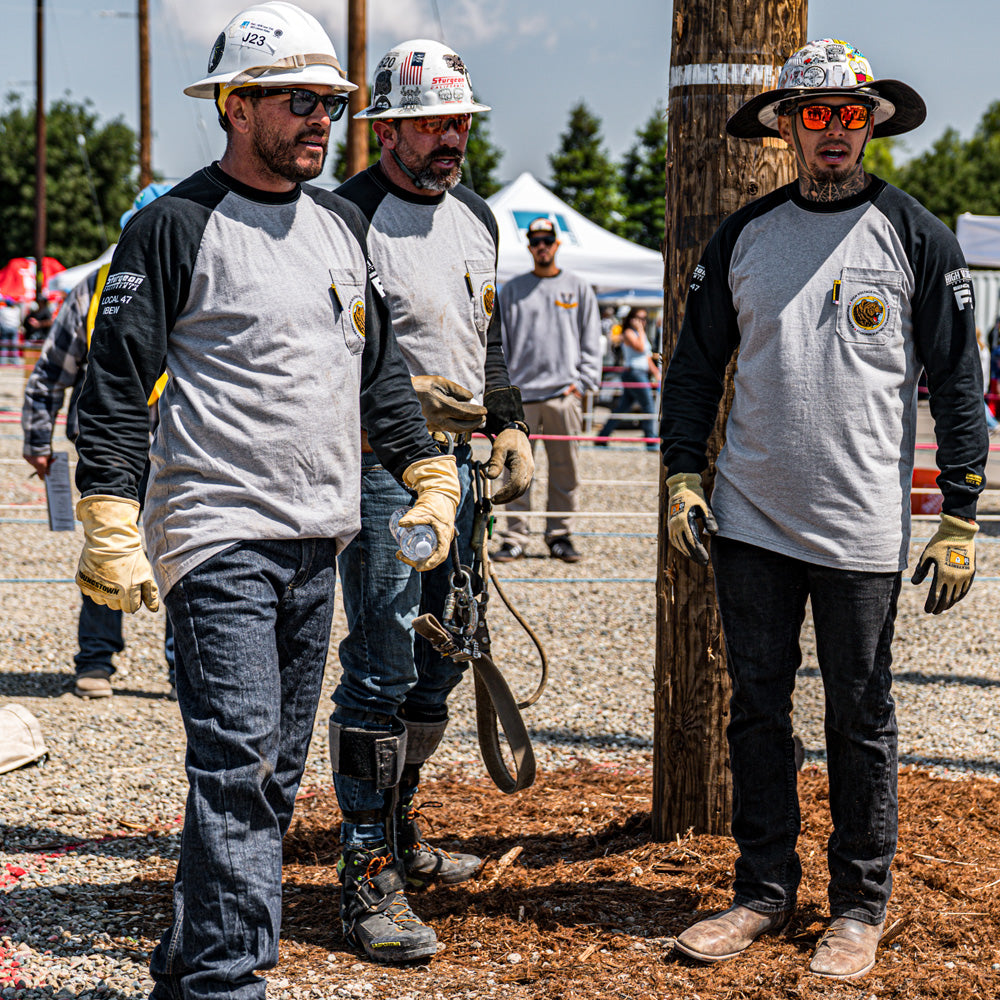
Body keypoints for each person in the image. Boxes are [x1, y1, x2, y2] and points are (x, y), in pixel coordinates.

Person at [71, 4, 460, 996]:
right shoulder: (171, 225)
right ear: (235, 106)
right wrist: (109, 515)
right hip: (219, 539)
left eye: (329, 100)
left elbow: (378, 373)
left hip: (316, 539)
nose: (321, 119)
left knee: (269, 783)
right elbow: (114, 383)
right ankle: (227, 983)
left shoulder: (338, 224)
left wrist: (425, 469)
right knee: (239, 767)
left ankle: (186, 969)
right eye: (299, 100)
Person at [660, 39, 987, 981]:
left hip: (861, 530)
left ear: (871, 123)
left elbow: (960, 387)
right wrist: (685, 474)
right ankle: (762, 890)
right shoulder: (743, 236)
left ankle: (858, 904)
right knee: (756, 709)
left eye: (850, 114)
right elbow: (693, 372)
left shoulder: (918, 235)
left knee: (861, 714)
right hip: (750, 520)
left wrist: (960, 514)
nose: (834, 130)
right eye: (816, 114)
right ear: (787, 127)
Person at [330, 38, 534, 963]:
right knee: (378, 657)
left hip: (462, 470)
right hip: (379, 470)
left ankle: (400, 827)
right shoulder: (343, 218)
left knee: (444, 656)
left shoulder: (478, 216)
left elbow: (484, 334)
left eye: (460, 121)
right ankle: (365, 869)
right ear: (388, 127)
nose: (452, 138)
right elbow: (330, 357)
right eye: (434, 122)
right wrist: (404, 423)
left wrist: (508, 420)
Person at [21, 183, 176, 700]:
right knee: (109, 549)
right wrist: (38, 441)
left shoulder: (202, 282)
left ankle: (187, 671)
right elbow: (50, 375)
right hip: (110, 447)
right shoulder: (93, 290)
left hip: (183, 448)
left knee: (190, 555)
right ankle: (96, 661)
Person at [491, 217, 602, 563]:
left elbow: (591, 339)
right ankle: (514, 536)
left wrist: (583, 385)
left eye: (547, 240)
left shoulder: (577, 287)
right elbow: (499, 343)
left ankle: (559, 534)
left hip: (562, 394)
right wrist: (502, 391)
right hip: (521, 398)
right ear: (529, 246)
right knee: (515, 469)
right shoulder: (511, 290)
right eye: (535, 240)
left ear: (556, 244)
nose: (541, 246)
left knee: (565, 469)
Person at [595, 306, 660, 451]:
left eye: (644, 318)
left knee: (622, 408)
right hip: (634, 373)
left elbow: (647, 356)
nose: (641, 321)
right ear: (631, 319)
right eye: (639, 318)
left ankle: (602, 436)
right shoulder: (629, 333)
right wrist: (641, 330)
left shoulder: (637, 333)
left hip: (640, 373)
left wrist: (656, 372)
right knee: (648, 406)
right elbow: (640, 348)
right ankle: (651, 441)